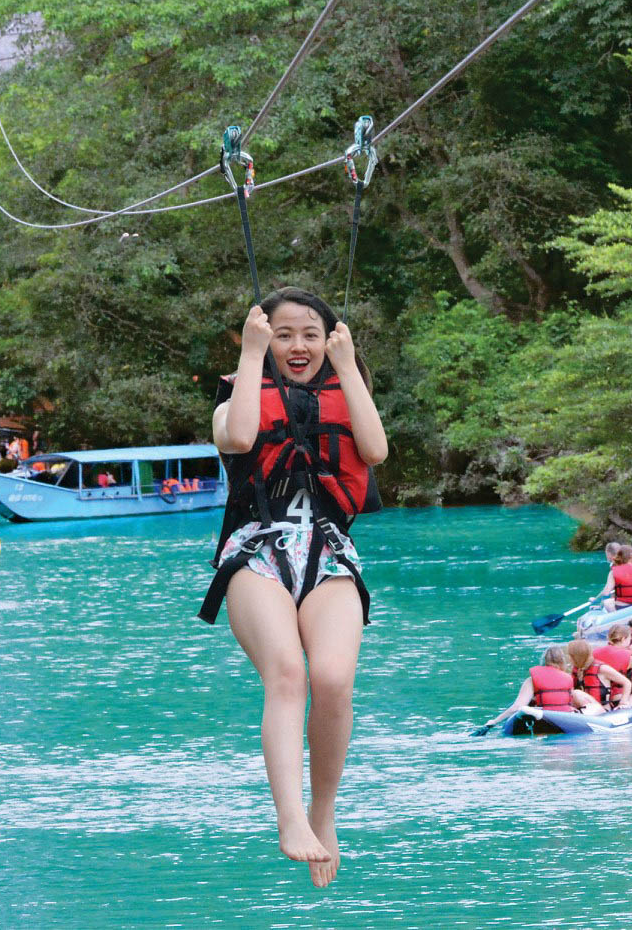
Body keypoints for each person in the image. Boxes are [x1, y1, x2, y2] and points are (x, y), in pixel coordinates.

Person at [203, 287, 388, 887]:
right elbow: (237, 440)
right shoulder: (237, 398)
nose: (298, 345)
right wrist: (252, 353)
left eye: (311, 333)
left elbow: (376, 450)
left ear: (328, 341)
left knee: (332, 678)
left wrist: (349, 361)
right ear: (264, 340)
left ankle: (323, 812)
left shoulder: (345, 392)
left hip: (328, 550)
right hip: (257, 550)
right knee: (288, 673)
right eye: (283, 334)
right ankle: (287, 817)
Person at [492, 645, 604, 724]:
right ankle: (605, 713)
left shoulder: (531, 679)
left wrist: (493, 722)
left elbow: (517, 707)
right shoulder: (568, 678)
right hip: (565, 719)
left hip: (542, 717)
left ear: (544, 661)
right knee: (591, 705)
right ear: (562, 661)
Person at [567, 638, 632, 710]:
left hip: (602, 710)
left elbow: (627, 682)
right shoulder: (578, 669)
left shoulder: (602, 669)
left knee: (577, 693)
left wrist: (623, 703)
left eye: (570, 656)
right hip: (585, 709)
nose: (569, 658)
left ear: (577, 657)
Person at [600, 542, 632, 611]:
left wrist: (597, 601)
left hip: (622, 606)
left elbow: (606, 592)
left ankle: (615, 618)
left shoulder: (613, 571)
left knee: (606, 602)